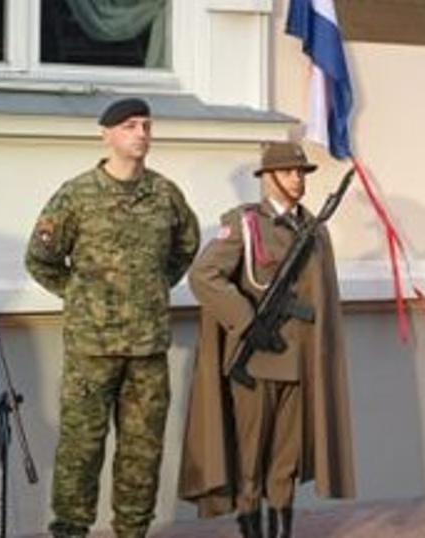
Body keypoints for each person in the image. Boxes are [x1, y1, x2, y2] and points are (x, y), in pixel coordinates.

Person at [26, 97, 200, 538]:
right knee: (80, 451)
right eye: (128, 126)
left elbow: (185, 247)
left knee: (142, 453)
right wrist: (82, 296)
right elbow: (40, 259)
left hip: (147, 349)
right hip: (92, 350)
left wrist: (153, 290)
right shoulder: (77, 195)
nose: (140, 133)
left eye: (145, 125)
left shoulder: (164, 195)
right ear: (106, 135)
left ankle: (132, 531)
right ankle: (70, 530)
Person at [179, 142, 354, 538]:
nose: (298, 179)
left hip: (299, 363)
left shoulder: (314, 230)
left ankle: (280, 531)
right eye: (290, 171)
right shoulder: (246, 224)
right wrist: (246, 322)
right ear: (268, 178)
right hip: (256, 365)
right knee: (250, 458)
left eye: (302, 172)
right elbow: (203, 276)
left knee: (286, 459)